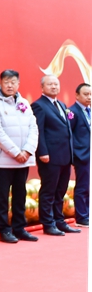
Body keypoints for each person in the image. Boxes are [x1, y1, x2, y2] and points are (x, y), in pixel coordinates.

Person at [0, 70, 38, 243]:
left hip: (23, 159)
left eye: (13, 82)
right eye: (6, 82)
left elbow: (33, 128)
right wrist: (15, 152)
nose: (10, 85)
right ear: (0, 83)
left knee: (20, 194)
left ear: (18, 84)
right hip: (4, 160)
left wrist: (27, 151)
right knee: (2, 196)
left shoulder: (24, 103)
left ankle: (19, 228)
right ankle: (4, 230)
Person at [32, 74, 79, 235]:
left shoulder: (61, 104)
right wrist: (42, 152)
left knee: (60, 191)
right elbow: (38, 131)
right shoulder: (38, 106)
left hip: (65, 156)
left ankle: (59, 220)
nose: (53, 87)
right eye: (50, 84)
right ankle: (48, 223)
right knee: (49, 190)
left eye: (56, 84)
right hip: (50, 156)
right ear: (42, 87)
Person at [69, 83, 91, 227]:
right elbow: (68, 134)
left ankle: (88, 213)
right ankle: (81, 217)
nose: (89, 97)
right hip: (82, 156)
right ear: (77, 95)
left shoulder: (89, 111)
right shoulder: (72, 112)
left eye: (91, 94)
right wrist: (75, 154)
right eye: (86, 94)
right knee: (82, 187)